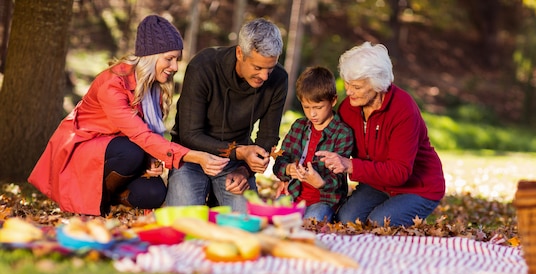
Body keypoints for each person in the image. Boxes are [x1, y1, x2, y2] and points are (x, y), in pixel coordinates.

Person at [28, 15, 228, 216]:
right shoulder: (113, 84)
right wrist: (195, 156)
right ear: (150, 56)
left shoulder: (153, 87)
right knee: (131, 151)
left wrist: (151, 158)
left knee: (154, 193)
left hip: (122, 150)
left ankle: (116, 198)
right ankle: (95, 202)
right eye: (169, 59)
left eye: (177, 59)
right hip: (83, 152)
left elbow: (145, 135)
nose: (175, 67)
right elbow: (140, 136)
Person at [165, 18, 288, 213]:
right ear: (240, 53)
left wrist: (245, 169)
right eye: (257, 68)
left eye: (270, 69)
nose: (264, 77)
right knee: (183, 221)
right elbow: (189, 134)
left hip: (234, 165)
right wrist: (240, 152)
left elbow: (268, 136)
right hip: (192, 157)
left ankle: (219, 197)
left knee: (246, 223)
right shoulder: (204, 66)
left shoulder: (279, 79)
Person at [316, 42, 445, 227]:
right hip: (376, 183)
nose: (349, 91)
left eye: (357, 87)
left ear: (378, 85)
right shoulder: (348, 108)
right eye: (347, 84)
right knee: (346, 221)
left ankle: (409, 210)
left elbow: (400, 172)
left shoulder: (403, 110)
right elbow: (330, 147)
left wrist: (350, 165)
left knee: (378, 223)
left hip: (417, 187)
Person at [273, 66, 353, 222]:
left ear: (333, 100)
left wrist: (321, 182)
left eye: (318, 107)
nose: (312, 114)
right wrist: (288, 169)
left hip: (324, 200)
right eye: (306, 107)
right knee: (274, 218)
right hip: (293, 195)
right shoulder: (298, 126)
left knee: (312, 222)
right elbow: (280, 161)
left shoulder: (343, 133)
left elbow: (339, 178)